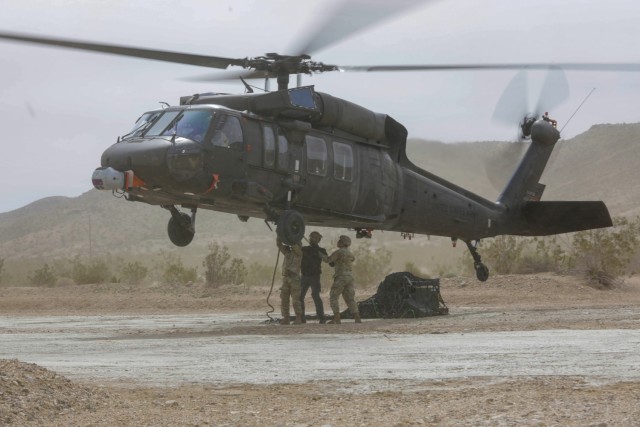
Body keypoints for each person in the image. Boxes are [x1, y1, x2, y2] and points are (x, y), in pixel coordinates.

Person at [325, 235, 361, 324]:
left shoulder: (338, 252)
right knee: (350, 298)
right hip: (349, 277)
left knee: (334, 296)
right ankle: (357, 317)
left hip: (341, 277)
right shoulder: (350, 253)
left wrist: (320, 254)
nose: (338, 242)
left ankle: (337, 317)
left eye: (339, 241)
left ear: (342, 243)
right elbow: (352, 259)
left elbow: (328, 260)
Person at [300, 231, 328, 324]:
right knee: (300, 297)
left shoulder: (322, 250)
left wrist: (318, 252)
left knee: (315, 296)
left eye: (315, 237)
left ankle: (321, 317)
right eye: (311, 237)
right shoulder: (304, 249)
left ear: (319, 240)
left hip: (315, 277)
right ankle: (301, 318)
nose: (312, 239)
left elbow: (328, 261)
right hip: (304, 276)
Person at [276, 236, 303, 325]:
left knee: (295, 299)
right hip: (286, 278)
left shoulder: (299, 253)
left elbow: (295, 246)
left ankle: (298, 317)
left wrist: (290, 238)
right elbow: (279, 245)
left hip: (294, 278)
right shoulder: (287, 253)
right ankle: (286, 317)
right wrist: (279, 235)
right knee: (284, 298)